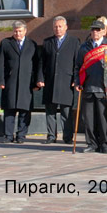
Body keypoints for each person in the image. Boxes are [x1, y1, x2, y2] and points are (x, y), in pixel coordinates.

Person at [74, 19, 107, 153]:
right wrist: (77, 82)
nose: (95, 32)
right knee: (88, 119)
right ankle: (92, 144)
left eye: (98, 29)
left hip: (103, 89)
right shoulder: (84, 47)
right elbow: (77, 67)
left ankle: (105, 144)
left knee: (103, 118)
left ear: (104, 31)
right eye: (93, 29)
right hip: (87, 87)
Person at [37, 16, 80, 145]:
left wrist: (76, 79)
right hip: (50, 81)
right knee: (50, 112)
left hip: (66, 82)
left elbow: (77, 62)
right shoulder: (47, 42)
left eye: (60, 26)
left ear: (66, 27)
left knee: (66, 112)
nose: (58, 29)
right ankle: (51, 136)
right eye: (55, 26)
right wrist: (40, 78)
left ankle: (67, 137)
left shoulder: (74, 41)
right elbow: (42, 62)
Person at [0, 20, 39, 144]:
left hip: (26, 83)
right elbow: (0, 63)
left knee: (25, 111)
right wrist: (0, 80)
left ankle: (21, 135)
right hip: (10, 82)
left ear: (25, 31)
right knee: (9, 109)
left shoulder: (32, 44)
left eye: (20, 31)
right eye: (15, 31)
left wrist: (37, 81)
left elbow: (36, 64)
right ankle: (8, 135)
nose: (17, 33)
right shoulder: (6, 43)